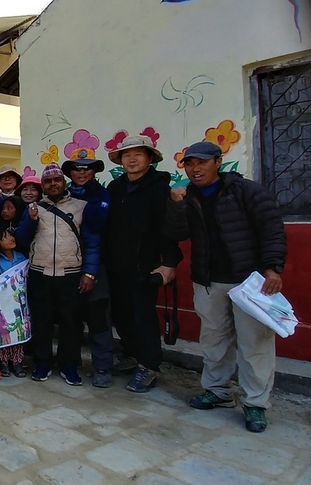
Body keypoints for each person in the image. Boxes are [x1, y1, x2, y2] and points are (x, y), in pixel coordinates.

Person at [164, 141, 287, 433]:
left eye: (202, 162)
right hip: (208, 281)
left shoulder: (247, 192)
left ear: (218, 162)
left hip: (249, 281)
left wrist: (272, 268)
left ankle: (255, 404)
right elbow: (177, 233)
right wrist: (176, 205)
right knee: (214, 340)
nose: (195, 169)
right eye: (189, 164)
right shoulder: (187, 197)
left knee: (254, 344)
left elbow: (272, 229)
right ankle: (217, 391)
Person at [104, 135, 182, 393]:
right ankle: (131, 355)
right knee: (121, 314)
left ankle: (149, 366)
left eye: (138, 154)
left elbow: (168, 229)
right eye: (127, 155)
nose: (132, 159)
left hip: (145, 266)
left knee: (143, 316)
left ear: (149, 158)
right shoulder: (115, 189)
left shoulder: (160, 189)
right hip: (116, 264)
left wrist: (168, 263)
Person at [26, 163, 98, 387]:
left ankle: (68, 363)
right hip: (40, 273)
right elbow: (21, 238)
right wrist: (31, 220)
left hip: (71, 274)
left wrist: (90, 273)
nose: (53, 184)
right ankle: (43, 362)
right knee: (42, 320)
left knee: (71, 321)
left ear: (64, 182)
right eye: (48, 181)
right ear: (43, 186)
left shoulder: (81, 206)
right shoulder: (33, 207)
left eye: (57, 180)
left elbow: (92, 242)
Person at [63, 153, 114, 388]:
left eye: (87, 169)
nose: (82, 173)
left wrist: (90, 272)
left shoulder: (102, 196)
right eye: (77, 169)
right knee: (70, 319)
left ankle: (103, 367)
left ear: (94, 172)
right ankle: (71, 362)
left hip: (95, 268)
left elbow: (94, 234)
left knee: (98, 320)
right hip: (67, 268)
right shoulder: (60, 197)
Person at [0, 228, 29, 378]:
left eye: (11, 235)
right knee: (2, 330)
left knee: (18, 329)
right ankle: (3, 362)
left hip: (18, 302)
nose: (11, 238)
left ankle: (17, 362)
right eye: (5, 237)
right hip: (2, 303)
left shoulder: (22, 257)